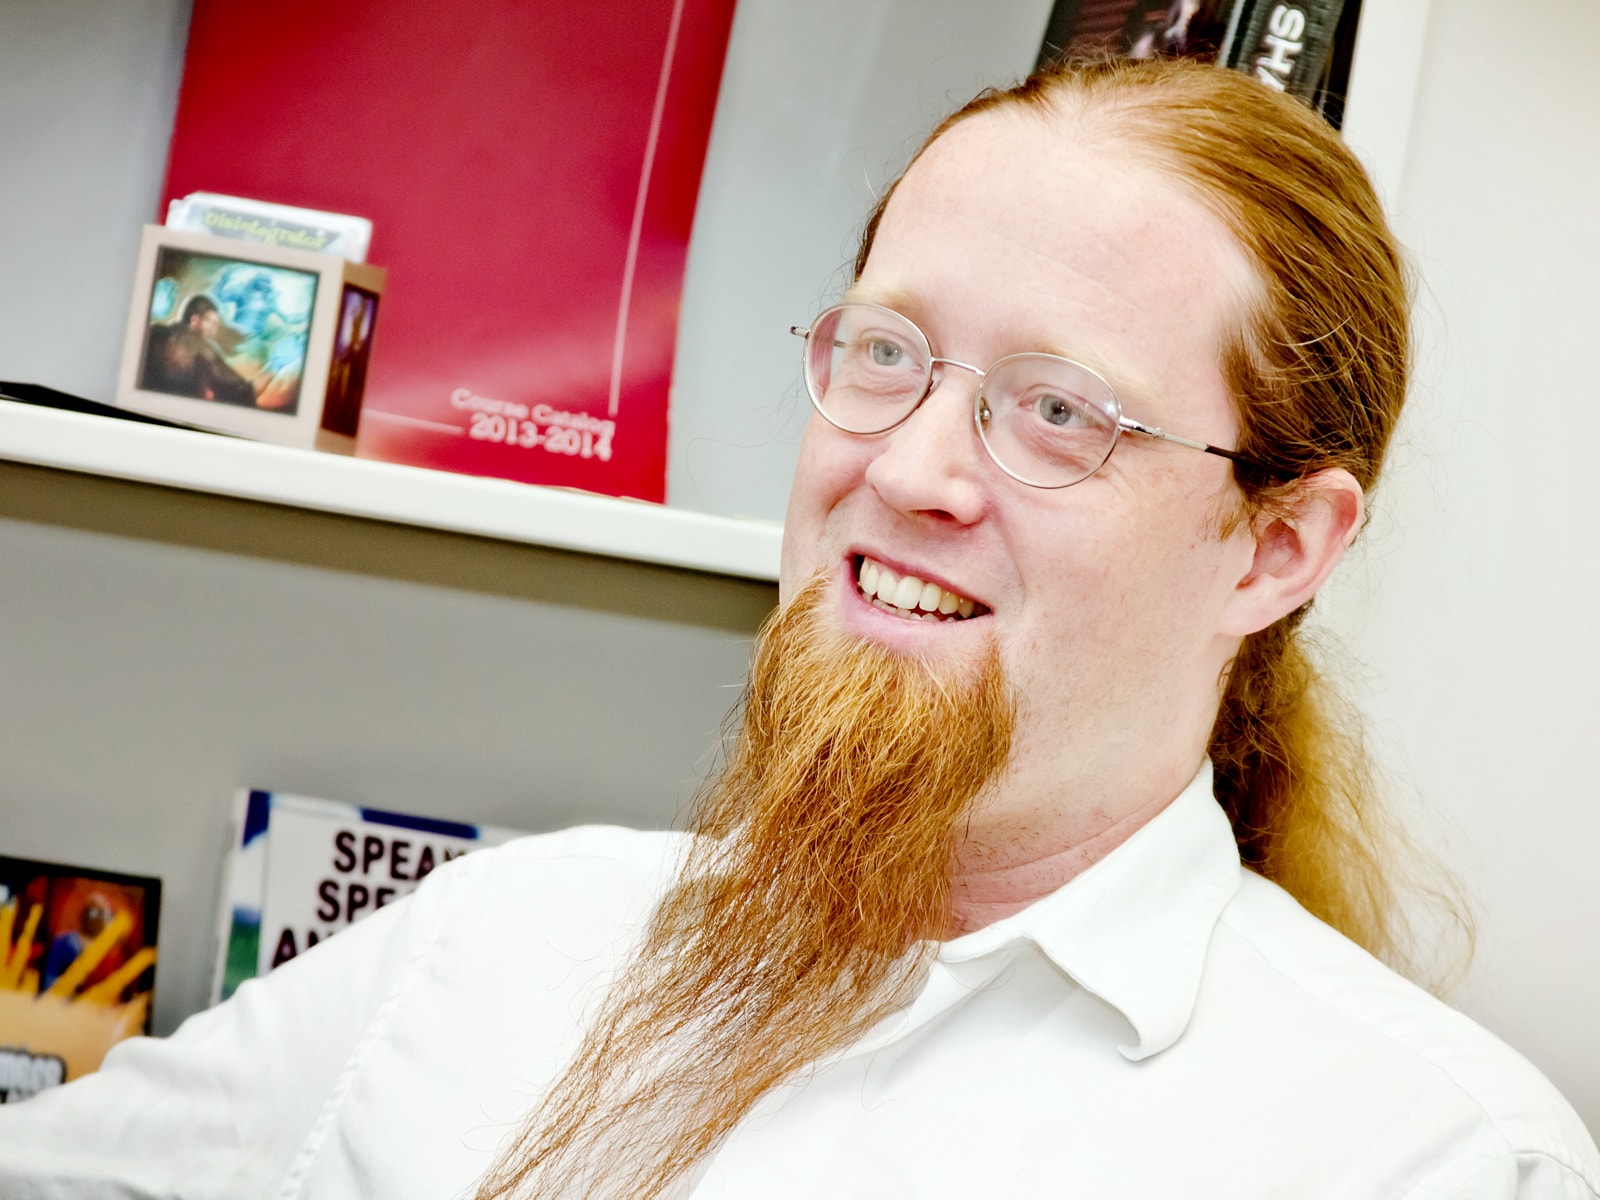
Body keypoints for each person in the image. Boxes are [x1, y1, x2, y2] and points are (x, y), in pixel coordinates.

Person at [2, 57, 1596, 1199]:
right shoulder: (493, 949)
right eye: (887, 351)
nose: (906, 470)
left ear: (1273, 548)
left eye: (1056, 412)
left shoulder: (1434, 1156)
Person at [137, 294, 259, 407]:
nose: (213, 330)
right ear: (194, 320)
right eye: (209, 322)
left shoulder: (152, 330)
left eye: (215, 325)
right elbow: (237, 387)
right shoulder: (202, 347)